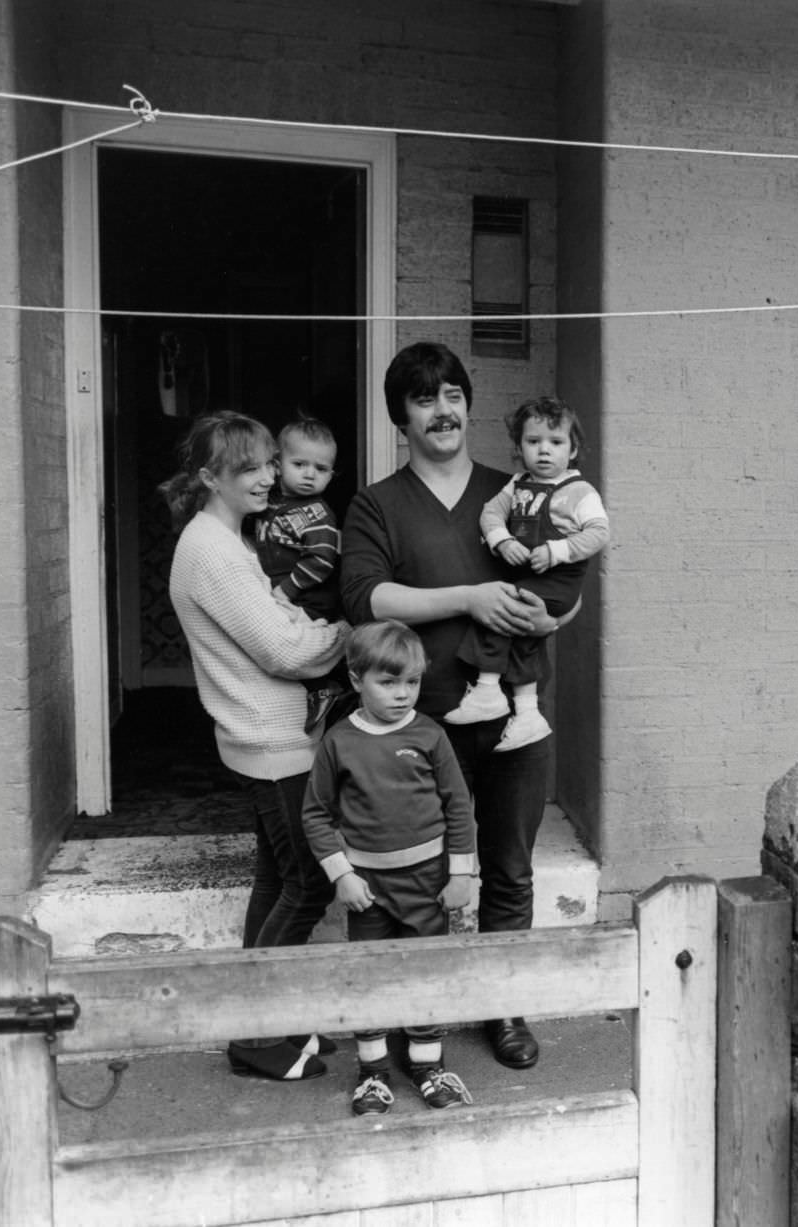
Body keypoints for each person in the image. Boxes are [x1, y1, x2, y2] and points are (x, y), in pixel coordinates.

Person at [340, 341, 570, 1072]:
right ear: (400, 418)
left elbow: (567, 580)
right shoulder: (378, 503)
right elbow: (365, 598)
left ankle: (503, 1006)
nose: (442, 410)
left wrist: (550, 617)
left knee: (510, 866)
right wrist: (468, 597)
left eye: (451, 394)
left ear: (467, 404)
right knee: (419, 875)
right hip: (414, 727)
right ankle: (417, 1013)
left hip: (512, 720)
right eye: (422, 398)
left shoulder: (522, 491)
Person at [160, 410, 347, 1082]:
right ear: (211, 475)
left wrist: (304, 623)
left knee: (276, 878)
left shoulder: (224, 539)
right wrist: (348, 631)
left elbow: (278, 617)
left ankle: (276, 1024)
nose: (268, 477)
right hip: (270, 742)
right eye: (251, 467)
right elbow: (284, 646)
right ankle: (256, 1037)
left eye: (271, 462)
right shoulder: (210, 548)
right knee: (309, 882)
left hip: (262, 738)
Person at [302, 621, 477, 1115]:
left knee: (425, 970)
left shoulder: (429, 735)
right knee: (370, 972)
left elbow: (458, 806)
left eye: (412, 682)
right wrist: (342, 875)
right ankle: (373, 1072)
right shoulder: (339, 742)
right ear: (357, 680)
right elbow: (315, 813)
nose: (403, 695)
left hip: (428, 880)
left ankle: (428, 1066)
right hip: (369, 886)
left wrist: (461, 873)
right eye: (388, 682)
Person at [444, 396, 609, 752]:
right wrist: (502, 541)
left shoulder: (579, 492)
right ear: (519, 447)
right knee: (522, 636)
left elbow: (598, 532)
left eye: (556, 442)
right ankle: (527, 714)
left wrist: (556, 550)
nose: (544, 451)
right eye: (533, 442)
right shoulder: (517, 485)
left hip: (559, 580)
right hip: (531, 577)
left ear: (574, 448)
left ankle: (488, 689)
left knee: (502, 610)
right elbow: (490, 514)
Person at [254, 416, 350, 733]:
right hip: (283, 591)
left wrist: (286, 591)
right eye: (300, 464)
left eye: (321, 469)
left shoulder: (318, 514)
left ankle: (324, 687)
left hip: (310, 597)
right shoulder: (269, 504)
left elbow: (322, 560)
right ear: (278, 464)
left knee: (299, 644)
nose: (310, 474)